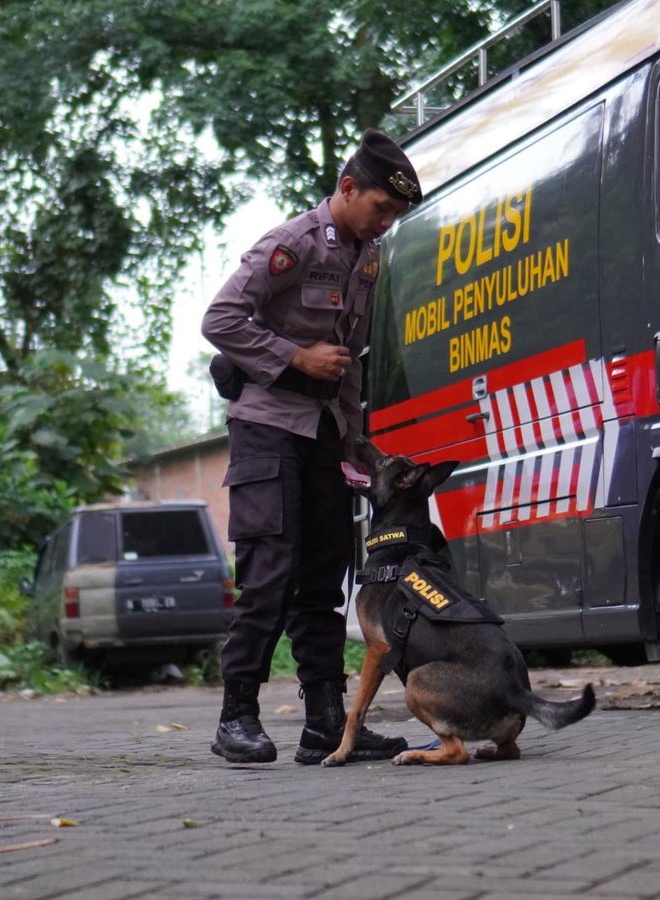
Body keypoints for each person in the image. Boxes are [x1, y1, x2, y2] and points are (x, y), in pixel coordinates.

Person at [202, 130, 422, 764]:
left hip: (327, 435)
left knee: (325, 581)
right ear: (347, 188)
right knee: (269, 578)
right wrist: (294, 355)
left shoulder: (368, 257)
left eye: (394, 216)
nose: (385, 223)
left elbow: (349, 358)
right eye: (380, 208)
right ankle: (236, 717)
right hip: (267, 427)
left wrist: (355, 441)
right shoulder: (291, 244)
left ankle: (328, 724)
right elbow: (219, 320)